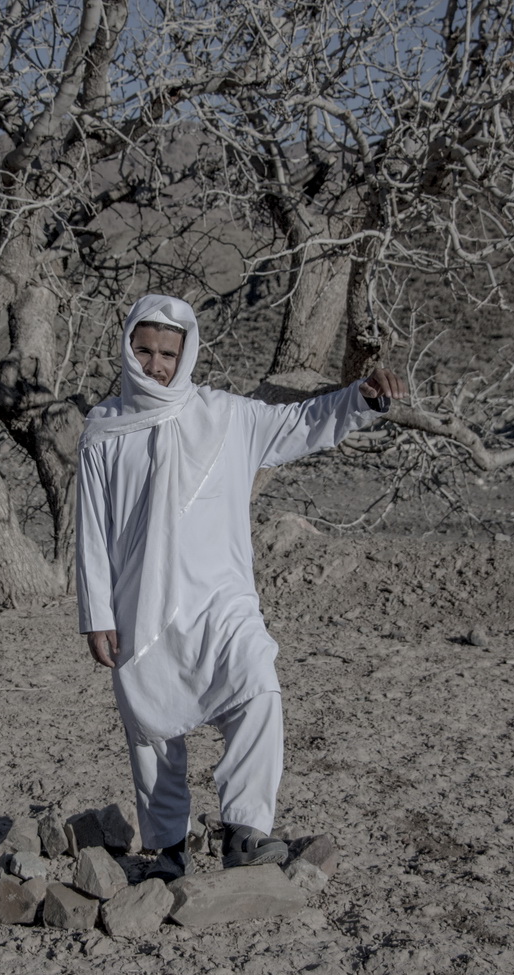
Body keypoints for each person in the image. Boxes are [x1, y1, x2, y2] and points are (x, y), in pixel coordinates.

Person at [75, 293, 404, 880]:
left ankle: (246, 833)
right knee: (151, 726)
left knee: (258, 688)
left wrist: (361, 399)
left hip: (222, 600)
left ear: (187, 354)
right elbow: (92, 529)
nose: (155, 365)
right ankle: (166, 848)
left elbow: (303, 422)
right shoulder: (104, 430)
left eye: (168, 353)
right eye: (144, 350)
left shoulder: (227, 416)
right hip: (139, 603)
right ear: (127, 347)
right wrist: (96, 612)